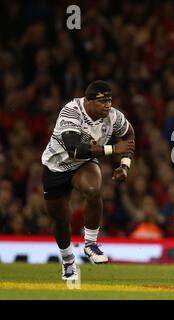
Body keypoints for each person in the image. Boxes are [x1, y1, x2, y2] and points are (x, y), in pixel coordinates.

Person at [41, 80, 135, 280]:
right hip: (56, 166)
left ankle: (91, 244)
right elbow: (74, 149)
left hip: (84, 164)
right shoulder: (71, 112)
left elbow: (129, 135)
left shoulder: (114, 117)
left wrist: (124, 165)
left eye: (110, 100)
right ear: (88, 101)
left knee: (93, 189)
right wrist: (112, 150)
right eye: (102, 101)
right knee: (60, 220)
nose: (108, 105)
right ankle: (68, 261)